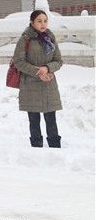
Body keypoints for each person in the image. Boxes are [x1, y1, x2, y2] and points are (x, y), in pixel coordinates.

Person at [12, 10, 64, 148]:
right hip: (30, 85)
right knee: (34, 120)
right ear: (32, 22)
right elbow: (18, 61)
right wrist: (38, 72)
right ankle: (36, 150)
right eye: (39, 21)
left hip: (49, 84)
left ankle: (55, 149)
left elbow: (58, 61)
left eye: (45, 21)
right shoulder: (25, 39)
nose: (43, 24)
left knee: (51, 119)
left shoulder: (50, 37)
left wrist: (47, 68)